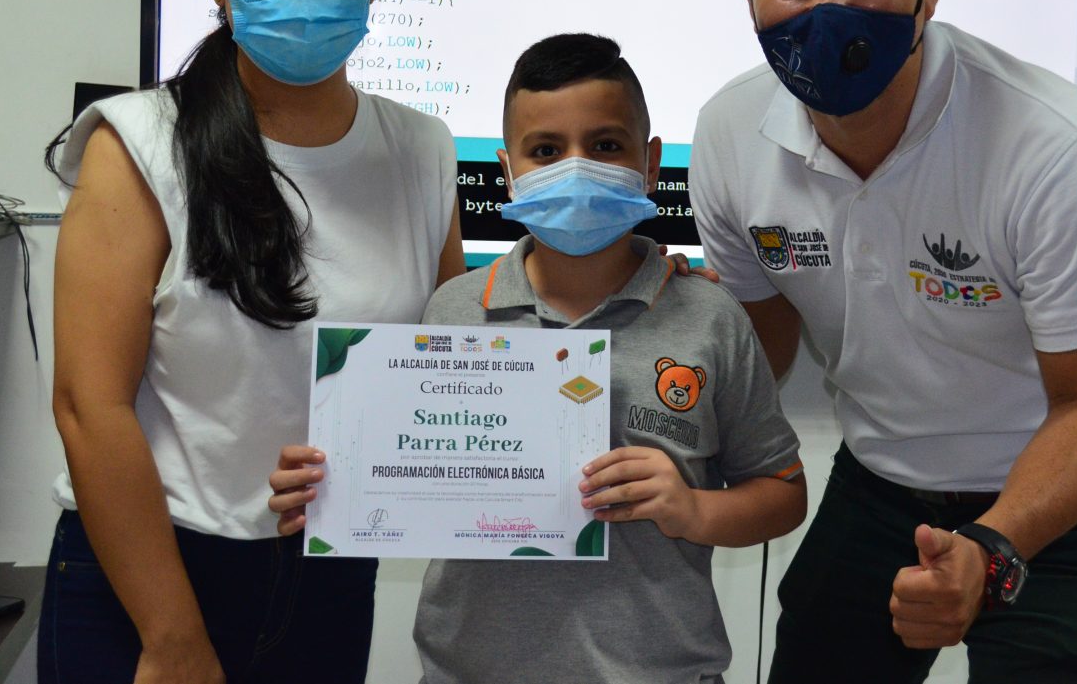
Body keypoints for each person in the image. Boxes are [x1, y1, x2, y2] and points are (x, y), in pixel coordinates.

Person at [689, 0, 1077, 683]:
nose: (826, 7)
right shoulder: (728, 134)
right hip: (882, 480)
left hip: (1061, 498)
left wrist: (991, 546)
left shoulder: (1058, 147)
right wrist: (676, 334)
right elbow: (764, 344)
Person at [39, 0, 464, 684]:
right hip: (146, 579)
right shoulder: (139, 143)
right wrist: (171, 635)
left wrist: (639, 281)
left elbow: (450, 367)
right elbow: (89, 406)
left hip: (328, 575)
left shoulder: (423, 148)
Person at [270, 33, 807, 684]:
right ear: (508, 170)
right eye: (546, 150)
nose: (576, 168)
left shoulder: (710, 317)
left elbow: (783, 493)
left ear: (651, 164)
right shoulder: (453, 310)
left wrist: (693, 510)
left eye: (605, 145)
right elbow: (409, 466)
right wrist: (330, 487)